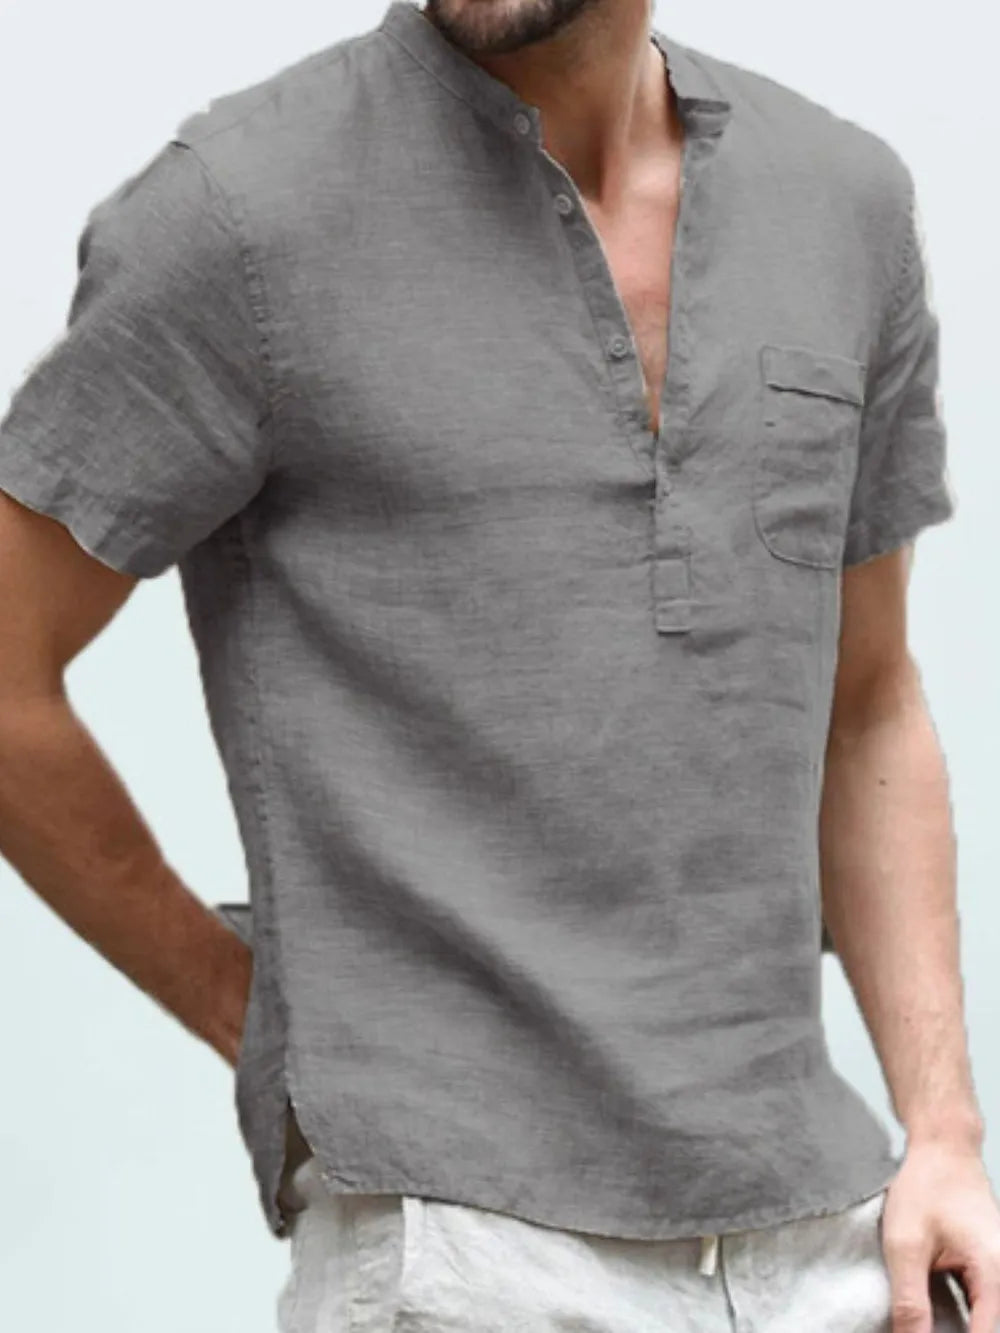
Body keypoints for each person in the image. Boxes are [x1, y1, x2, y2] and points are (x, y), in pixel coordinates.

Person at [0, 0, 995, 1328]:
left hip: (822, 1231)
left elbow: (866, 706)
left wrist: (944, 1133)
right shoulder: (240, 214)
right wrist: (252, 1012)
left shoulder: (841, 202)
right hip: (458, 1248)